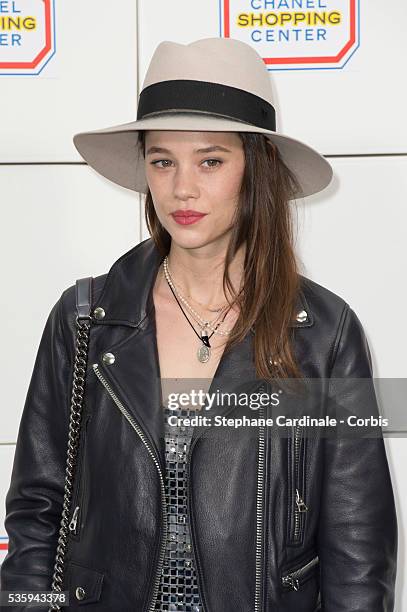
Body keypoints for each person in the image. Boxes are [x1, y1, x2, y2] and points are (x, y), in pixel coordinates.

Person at [0, 37, 397, 612]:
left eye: (210, 160)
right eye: (162, 160)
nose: (182, 188)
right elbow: (37, 514)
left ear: (254, 169)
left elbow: (358, 549)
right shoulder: (86, 319)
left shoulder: (323, 335)